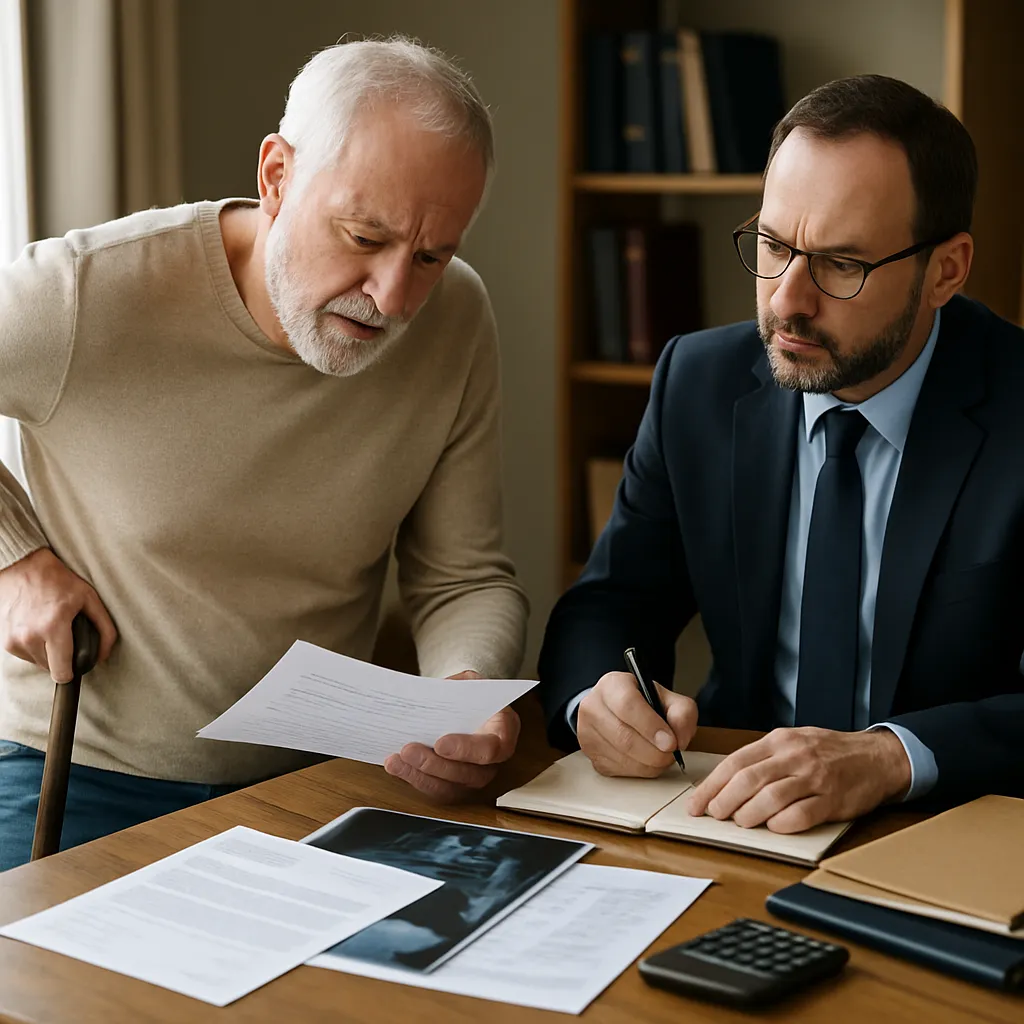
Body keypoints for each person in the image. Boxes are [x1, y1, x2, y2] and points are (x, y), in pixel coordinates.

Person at [0, 36, 528, 870]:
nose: (393, 296)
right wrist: (15, 559)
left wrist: (461, 691)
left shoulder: (455, 318)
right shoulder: (86, 293)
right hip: (72, 775)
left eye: (430, 255)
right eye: (364, 235)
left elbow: (462, 576)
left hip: (314, 786)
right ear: (276, 176)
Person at [538, 74, 1024, 834]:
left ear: (946, 271)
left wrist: (889, 757)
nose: (786, 301)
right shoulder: (696, 382)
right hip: (731, 813)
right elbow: (613, 601)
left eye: (839, 264)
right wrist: (595, 700)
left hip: (947, 829)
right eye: (771, 245)